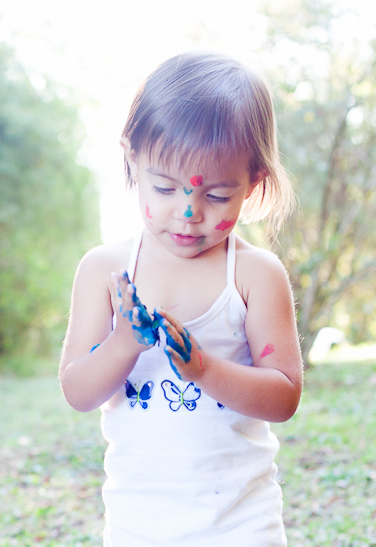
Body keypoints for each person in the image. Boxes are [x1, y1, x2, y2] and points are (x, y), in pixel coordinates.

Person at [59, 52, 303, 546]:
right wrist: (123, 343)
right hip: (139, 524)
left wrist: (206, 371)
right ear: (133, 160)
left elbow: (284, 397)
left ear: (253, 183)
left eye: (216, 196)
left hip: (242, 523)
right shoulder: (104, 271)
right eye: (165, 187)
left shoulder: (256, 275)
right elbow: (78, 392)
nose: (188, 212)